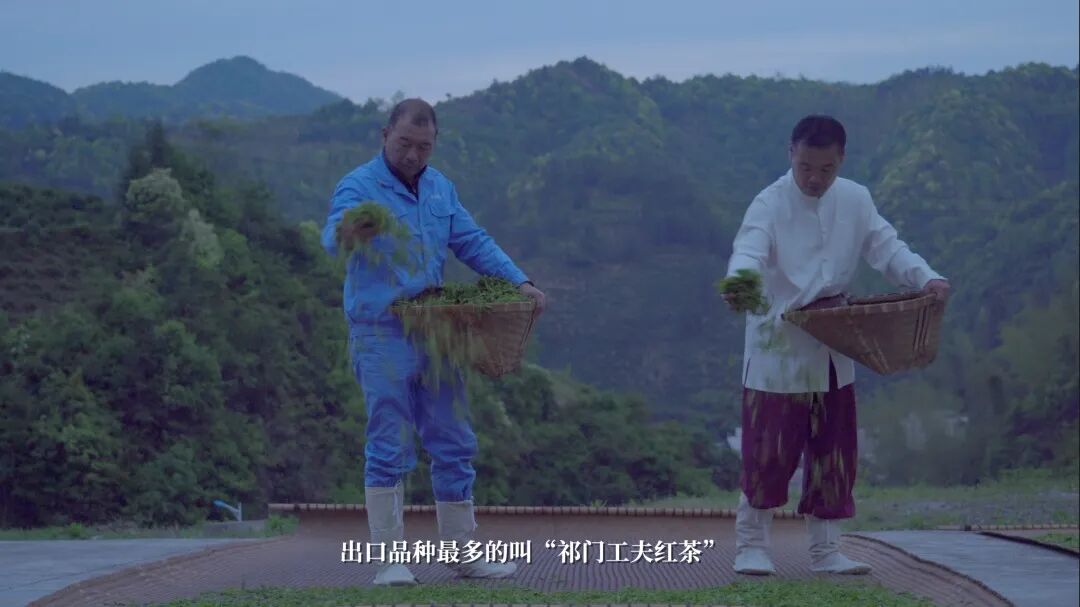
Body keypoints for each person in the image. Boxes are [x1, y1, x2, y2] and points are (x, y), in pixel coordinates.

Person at [321, 98, 546, 586]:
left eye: (423, 147)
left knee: (454, 439)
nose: (413, 155)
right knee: (389, 441)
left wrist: (519, 281)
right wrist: (351, 231)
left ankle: (463, 554)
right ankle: (389, 559)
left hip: (438, 328)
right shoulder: (359, 186)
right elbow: (333, 239)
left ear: (434, 144)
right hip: (381, 330)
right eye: (404, 143)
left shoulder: (440, 187)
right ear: (385, 135)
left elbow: (472, 241)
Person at [723, 115, 949, 575]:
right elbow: (749, 251)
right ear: (791, 154)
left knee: (834, 452)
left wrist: (926, 276)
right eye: (805, 167)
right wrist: (740, 283)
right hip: (778, 346)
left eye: (825, 169)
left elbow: (887, 248)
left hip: (835, 343)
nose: (814, 178)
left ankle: (826, 551)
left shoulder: (855, 198)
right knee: (768, 451)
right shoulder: (769, 203)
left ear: (841, 160)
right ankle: (752, 545)